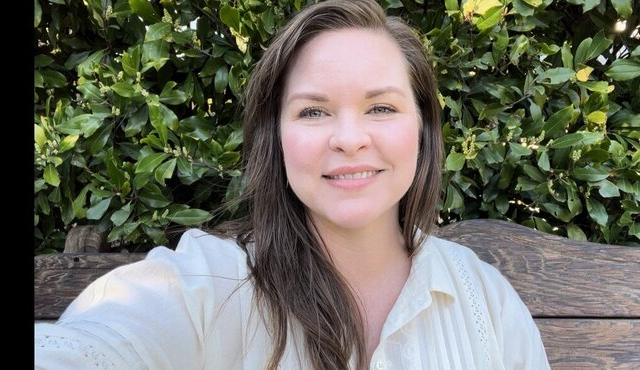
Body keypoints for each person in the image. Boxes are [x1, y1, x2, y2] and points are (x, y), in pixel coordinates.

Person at [34, 0, 550, 368]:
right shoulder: (209, 286)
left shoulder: (486, 299)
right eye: (313, 111)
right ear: (275, 137)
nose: (349, 139)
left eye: (381, 107)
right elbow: (98, 344)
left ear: (424, 129)